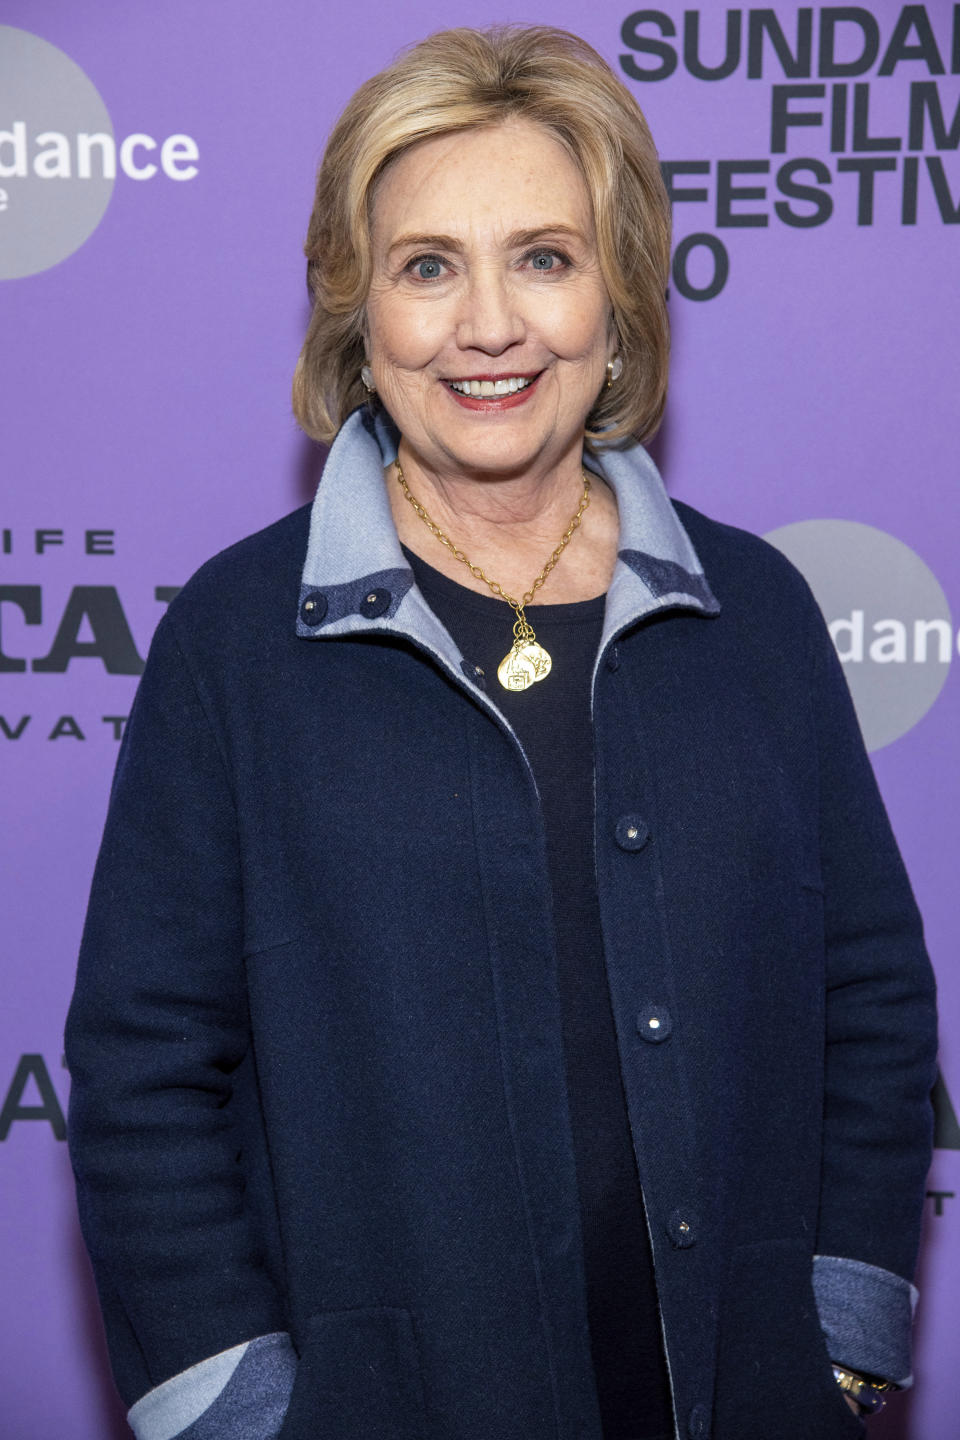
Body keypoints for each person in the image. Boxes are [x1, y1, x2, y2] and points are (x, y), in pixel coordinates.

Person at [65, 24, 938, 1440]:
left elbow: (874, 994)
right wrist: (235, 1411)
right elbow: (145, 1069)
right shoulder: (239, 640)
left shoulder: (757, 611)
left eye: (544, 256)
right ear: (359, 314)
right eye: (427, 267)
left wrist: (840, 1336)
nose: (488, 326)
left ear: (621, 300)